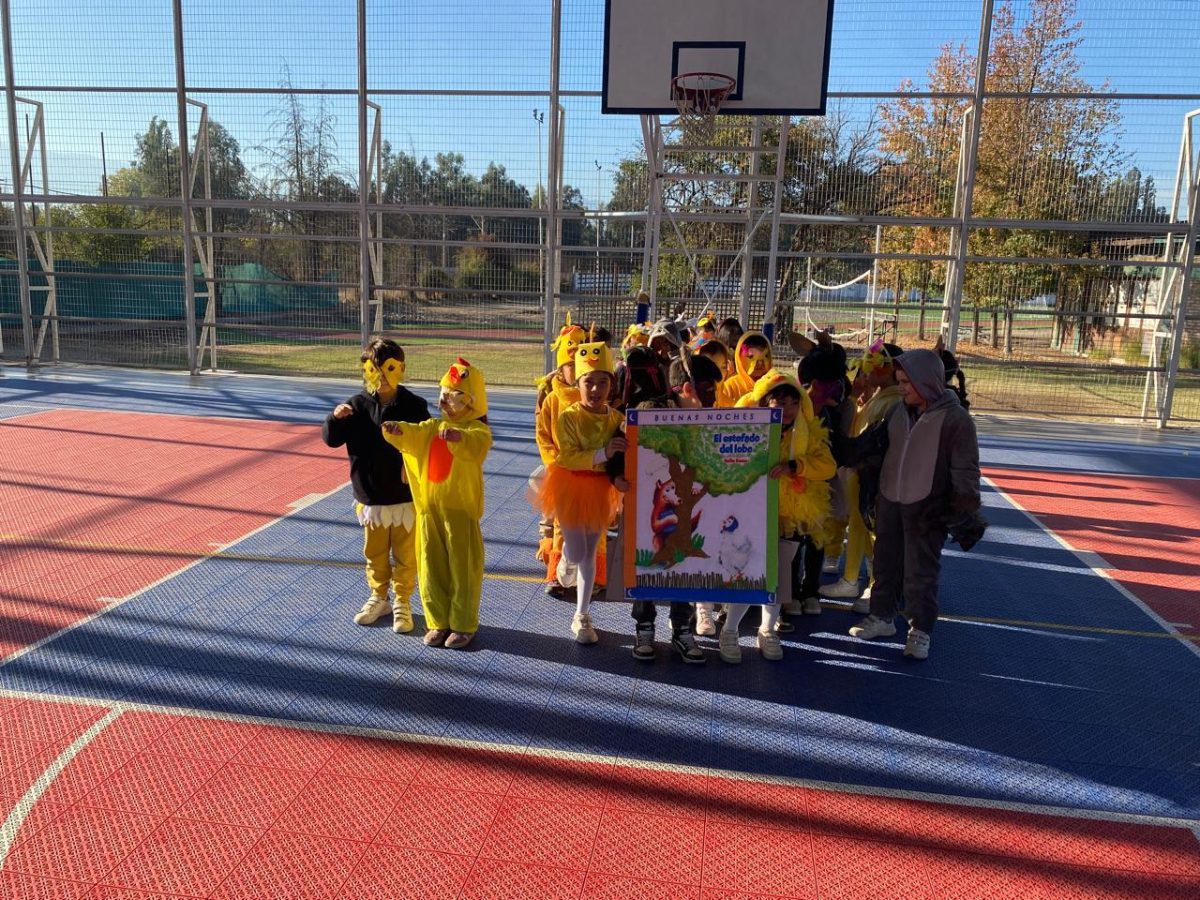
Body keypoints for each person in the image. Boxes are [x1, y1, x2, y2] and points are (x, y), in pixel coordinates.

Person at [848, 349, 983, 660]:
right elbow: (878, 447)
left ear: (927, 381)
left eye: (907, 383)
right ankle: (882, 617)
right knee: (885, 563)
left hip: (927, 507)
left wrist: (963, 508)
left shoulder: (956, 420)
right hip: (891, 500)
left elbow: (966, 469)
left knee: (921, 572)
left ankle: (920, 630)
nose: (903, 388)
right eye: (900, 382)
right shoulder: (899, 411)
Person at [720, 369, 835, 663]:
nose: (787, 410)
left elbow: (828, 466)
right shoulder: (746, 430)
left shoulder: (807, 432)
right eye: (779, 403)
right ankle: (730, 630)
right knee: (747, 570)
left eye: (793, 403)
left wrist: (795, 466)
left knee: (779, 572)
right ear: (763, 403)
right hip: (752, 510)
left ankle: (768, 629)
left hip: (790, 512)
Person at [382, 358, 493, 649]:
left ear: (471, 403)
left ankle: (463, 623)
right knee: (431, 567)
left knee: (463, 569)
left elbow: (474, 447)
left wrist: (458, 437)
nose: (446, 400)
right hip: (430, 512)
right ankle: (437, 621)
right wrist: (398, 431)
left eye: (455, 396)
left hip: (460, 514)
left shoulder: (477, 431)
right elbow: (416, 434)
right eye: (444, 393)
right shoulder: (433, 427)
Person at [322, 339, 430, 632]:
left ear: (402, 369)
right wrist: (334, 419)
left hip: (404, 496)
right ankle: (379, 597)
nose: (381, 377)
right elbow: (331, 440)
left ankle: (403, 601)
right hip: (371, 498)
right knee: (375, 554)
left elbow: (426, 443)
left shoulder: (414, 406)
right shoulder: (355, 407)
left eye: (389, 369)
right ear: (365, 371)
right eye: (374, 370)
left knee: (406, 555)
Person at [625, 353, 725, 663]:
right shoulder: (650, 413)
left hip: (689, 507)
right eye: (708, 390)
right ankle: (644, 625)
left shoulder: (712, 423)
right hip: (651, 508)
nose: (713, 398)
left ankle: (683, 628)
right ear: (686, 389)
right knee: (648, 558)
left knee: (686, 560)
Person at [534, 341, 625, 644]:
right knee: (575, 551)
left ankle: (582, 615)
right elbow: (567, 456)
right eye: (589, 382)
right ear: (578, 383)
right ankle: (564, 564)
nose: (596, 390)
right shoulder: (568, 417)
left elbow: (624, 455)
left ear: (611, 385)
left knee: (589, 553)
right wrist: (603, 452)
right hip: (571, 487)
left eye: (602, 383)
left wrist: (621, 476)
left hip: (600, 491)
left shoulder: (615, 419)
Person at [821, 339, 905, 610]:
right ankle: (854, 579)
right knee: (858, 527)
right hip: (860, 473)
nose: (864, 374)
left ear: (886, 369)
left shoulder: (892, 402)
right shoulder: (880, 398)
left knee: (872, 531)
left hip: (871, 475)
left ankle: (874, 584)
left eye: (870, 367)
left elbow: (869, 439)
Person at [534, 318, 586, 598]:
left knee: (590, 525)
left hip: (589, 472)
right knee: (560, 523)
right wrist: (553, 462)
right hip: (561, 471)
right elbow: (543, 434)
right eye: (570, 365)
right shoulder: (551, 397)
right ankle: (557, 574)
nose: (575, 372)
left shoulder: (593, 394)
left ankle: (591, 574)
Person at [717, 331, 773, 407]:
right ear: (739, 358)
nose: (760, 363)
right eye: (751, 357)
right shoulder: (730, 387)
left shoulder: (775, 385)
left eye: (765, 356)